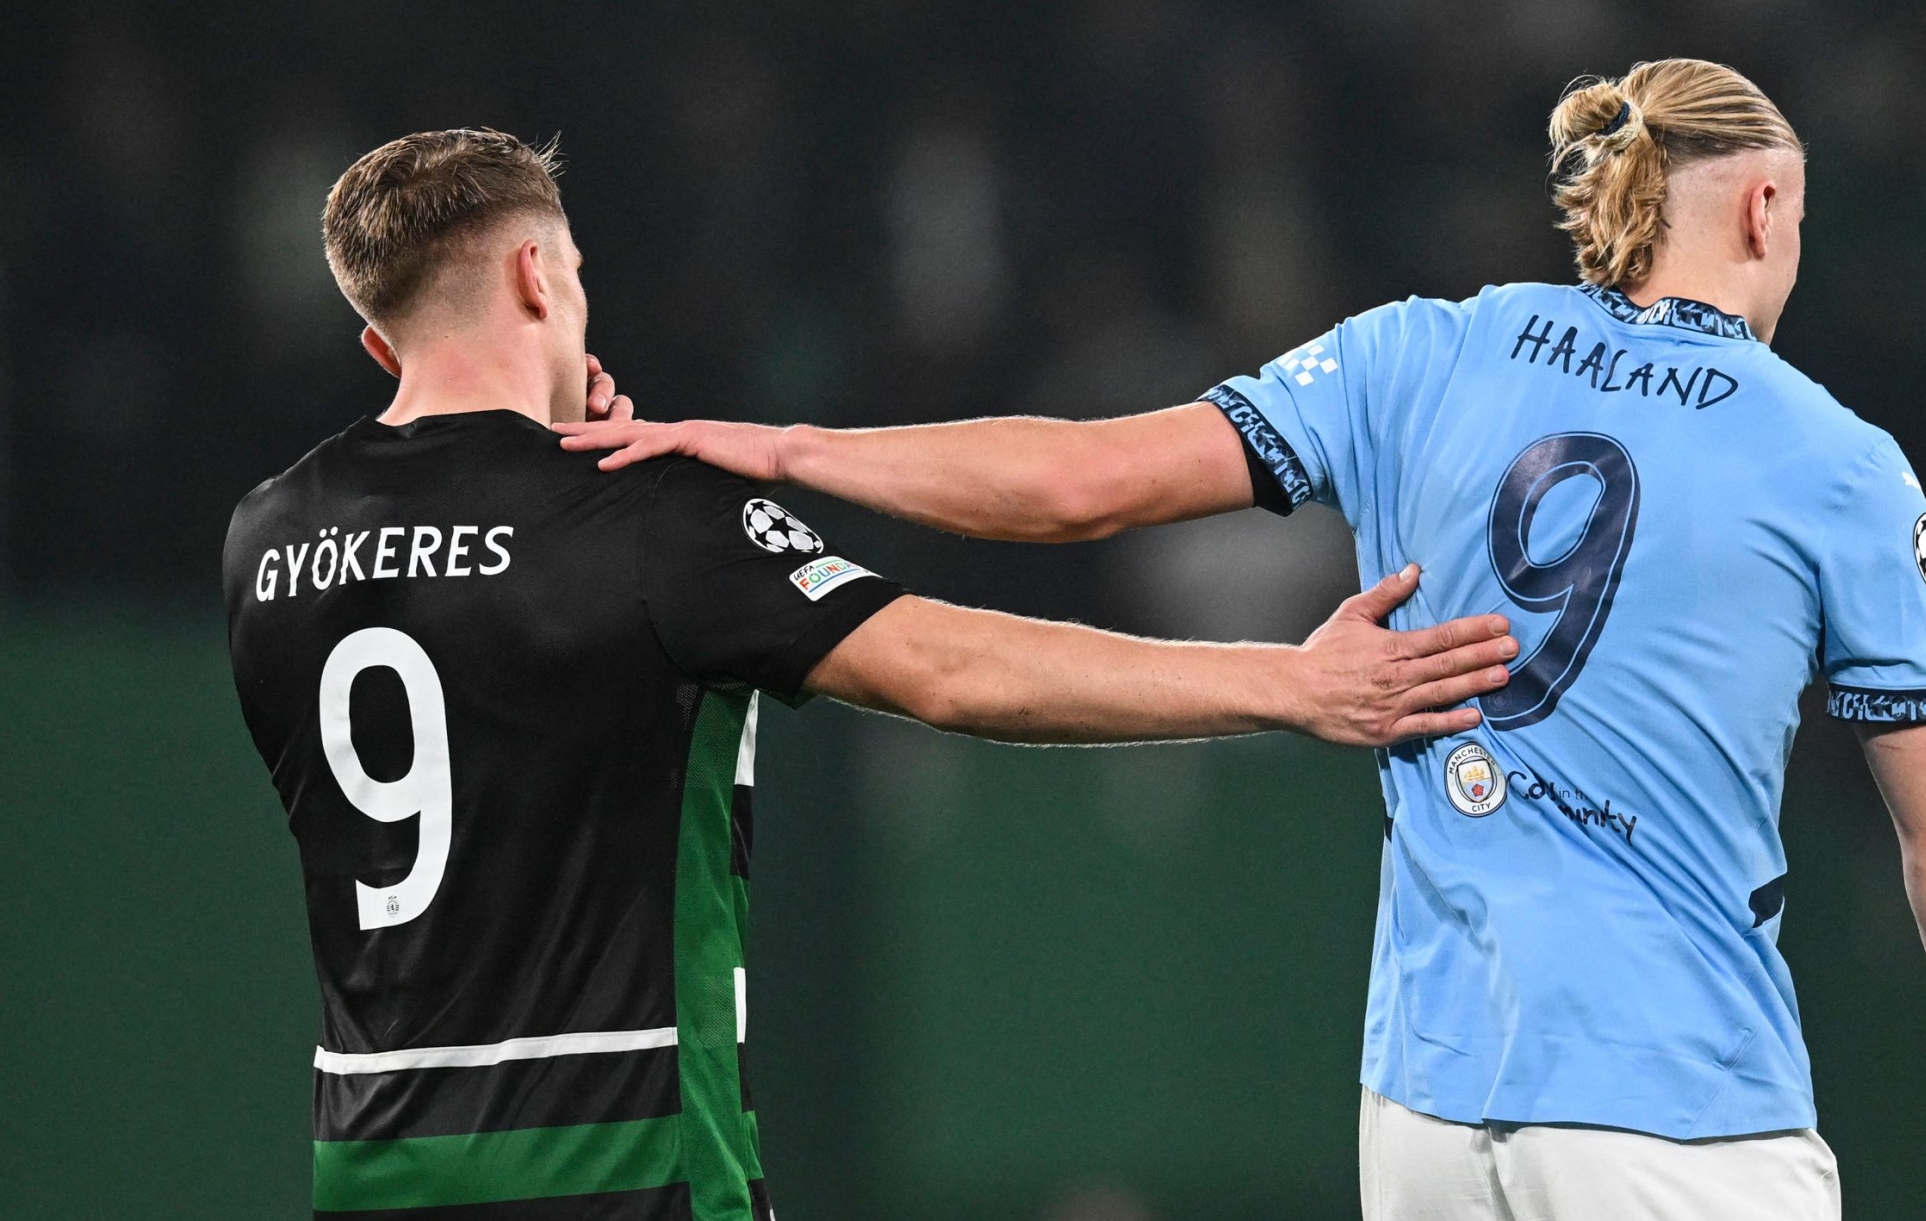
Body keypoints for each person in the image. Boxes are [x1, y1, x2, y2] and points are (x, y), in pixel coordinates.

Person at [560, 61, 1926, 1221]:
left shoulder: (1425, 345)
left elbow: (1079, 482)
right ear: (1764, 205)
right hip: (1678, 1104)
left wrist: (786, 445)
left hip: (1421, 1109)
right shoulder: (1839, 461)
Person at [221, 129, 1521, 1221]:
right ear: (536, 274)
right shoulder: (647, 524)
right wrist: (1287, 682)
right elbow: (950, 671)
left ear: (380, 344)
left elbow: (488, 645)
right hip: (622, 1158)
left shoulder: (268, 536)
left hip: (371, 1160)